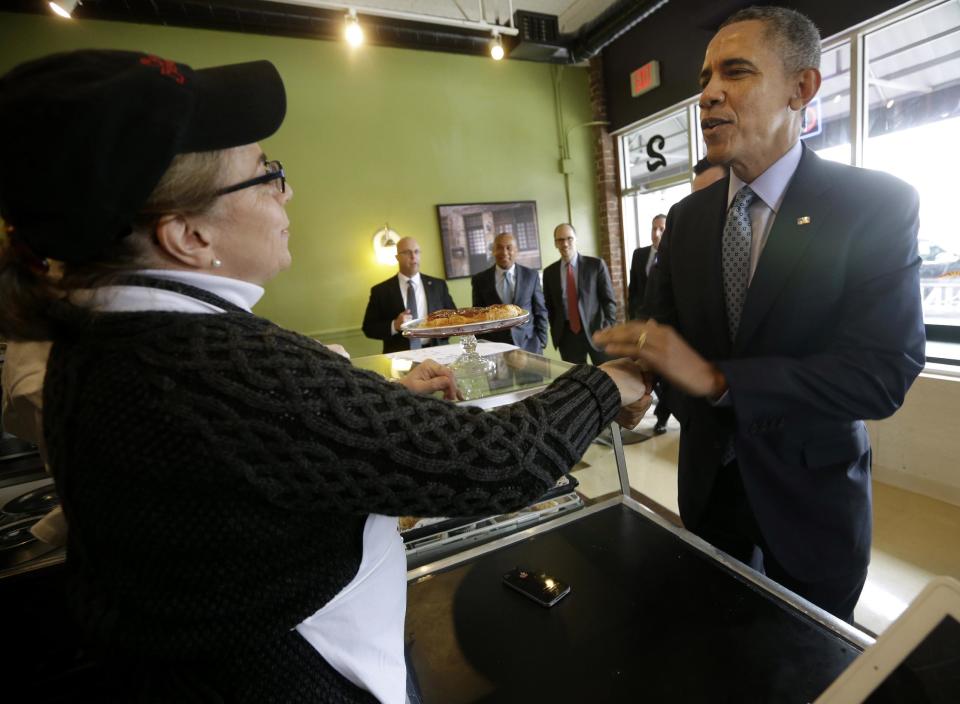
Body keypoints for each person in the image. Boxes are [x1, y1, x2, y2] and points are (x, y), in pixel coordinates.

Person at [0, 49, 653, 701]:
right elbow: (499, 459)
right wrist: (608, 383)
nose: (287, 191)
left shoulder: (98, 338)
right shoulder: (216, 368)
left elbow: (258, 455)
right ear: (187, 236)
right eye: (265, 173)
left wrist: (379, 403)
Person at [595, 6, 924, 623]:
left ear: (802, 89)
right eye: (703, 78)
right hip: (707, 496)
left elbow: (882, 373)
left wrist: (722, 382)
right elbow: (662, 339)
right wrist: (636, 380)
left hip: (811, 505)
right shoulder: (688, 221)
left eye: (736, 72)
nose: (709, 93)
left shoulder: (874, 206)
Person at [362, 236, 455, 353]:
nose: (413, 256)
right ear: (397, 258)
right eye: (407, 252)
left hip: (438, 352)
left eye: (416, 252)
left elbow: (453, 318)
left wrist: (440, 327)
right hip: (400, 357)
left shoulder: (438, 285)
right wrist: (395, 325)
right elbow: (369, 328)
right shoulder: (381, 290)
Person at [543, 224, 617, 364]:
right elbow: (549, 306)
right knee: (577, 380)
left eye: (569, 238)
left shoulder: (596, 265)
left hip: (597, 331)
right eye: (560, 240)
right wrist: (557, 332)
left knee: (607, 375)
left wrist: (608, 326)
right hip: (567, 337)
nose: (565, 244)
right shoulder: (549, 273)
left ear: (575, 239)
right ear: (555, 244)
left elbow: (609, 300)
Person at [471, 232, 548, 353]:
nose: (504, 252)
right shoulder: (479, 280)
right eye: (499, 248)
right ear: (493, 251)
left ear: (516, 250)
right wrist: (481, 345)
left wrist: (542, 340)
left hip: (529, 344)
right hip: (494, 347)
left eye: (509, 247)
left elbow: (540, 310)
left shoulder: (531, 276)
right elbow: (478, 316)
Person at [627, 214, 666, 321]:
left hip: (665, 319)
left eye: (661, 229)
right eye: (654, 229)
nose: (656, 234)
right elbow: (633, 288)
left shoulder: (674, 257)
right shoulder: (638, 254)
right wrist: (632, 313)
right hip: (641, 316)